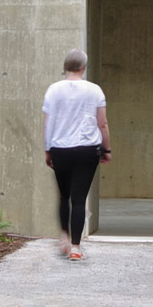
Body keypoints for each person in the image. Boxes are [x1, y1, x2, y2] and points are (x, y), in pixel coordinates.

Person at [42, 50, 109, 261]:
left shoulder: (53, 90)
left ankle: (64, 235)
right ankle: (76, 248)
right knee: (79, 199)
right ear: (84, 67)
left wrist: (48, 149)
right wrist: (106, 149)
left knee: (64, 195)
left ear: (65, 67)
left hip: (60, 148)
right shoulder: (94, 90)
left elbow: (48, 122)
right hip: (87, 148)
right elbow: (102, 123)